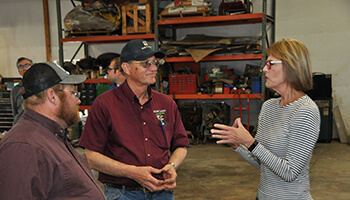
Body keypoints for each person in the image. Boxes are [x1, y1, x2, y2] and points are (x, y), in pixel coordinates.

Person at [79, 39, 189, 200]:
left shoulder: (167, 104)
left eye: (154, 63)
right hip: (123, 193)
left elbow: (181, 146)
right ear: (127, 68)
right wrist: (132, 172)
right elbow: (91, 157)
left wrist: (172, 166)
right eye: (145, 64)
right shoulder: (104, 104)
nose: (153, 68)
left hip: (162, 192)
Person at [211, 39, 320, 200]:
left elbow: (290, 172)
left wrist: (249, 142)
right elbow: (261, 161)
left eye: (270, 63)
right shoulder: (269, 107)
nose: (264, 69)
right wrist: (238, 145)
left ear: (291, 66)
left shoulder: (305, 111)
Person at [0, 62, 106, 200]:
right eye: (73, 93)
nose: (78, 100)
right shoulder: (25, 146)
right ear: (52, 96)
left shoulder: (52, 135)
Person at [10, 57, 33, 125]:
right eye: (20, 66)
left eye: (27, 65)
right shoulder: (15, 90)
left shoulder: (41, 86)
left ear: (32, 67)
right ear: (18, 71)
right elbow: (15, 111)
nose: (24, 68)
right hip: (21, 125)